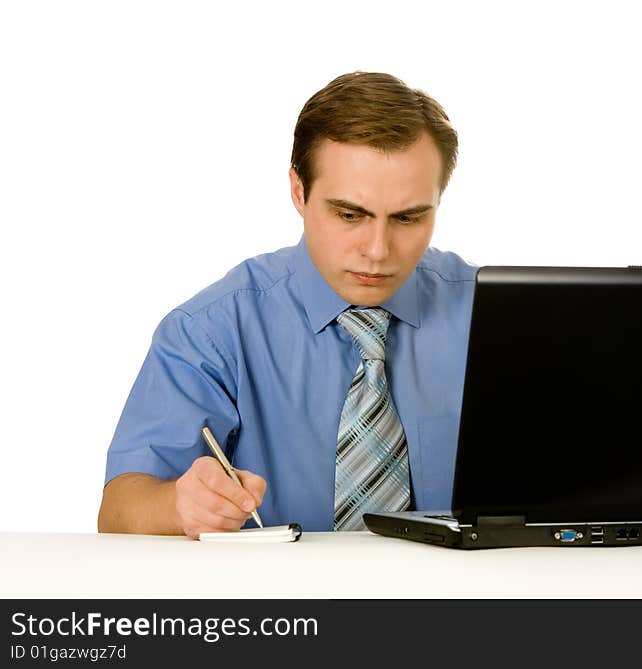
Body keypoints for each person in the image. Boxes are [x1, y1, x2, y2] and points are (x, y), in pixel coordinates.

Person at [97, 72, 475, 538]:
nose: (377, 249)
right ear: (299, 192)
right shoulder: (211, 329)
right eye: (349, 214)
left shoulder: (495, 318)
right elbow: (118, 509)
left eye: (408, 217)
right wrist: (177, 506)